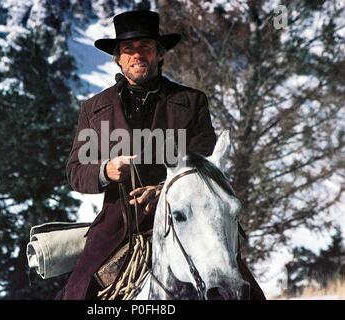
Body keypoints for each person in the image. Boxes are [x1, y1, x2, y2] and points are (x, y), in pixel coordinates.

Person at [59, 10, 265, 300]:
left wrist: (162, 191)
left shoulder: (191, 102)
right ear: (118, 58)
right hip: (120, 221)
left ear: (159, 54)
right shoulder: (94, 109)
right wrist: (106, 171)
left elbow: (204, 164)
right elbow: (75, 171)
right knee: (78, 290)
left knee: (243, 289)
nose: (137, 55)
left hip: (189, 215)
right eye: (128, 50)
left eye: (146, 47)